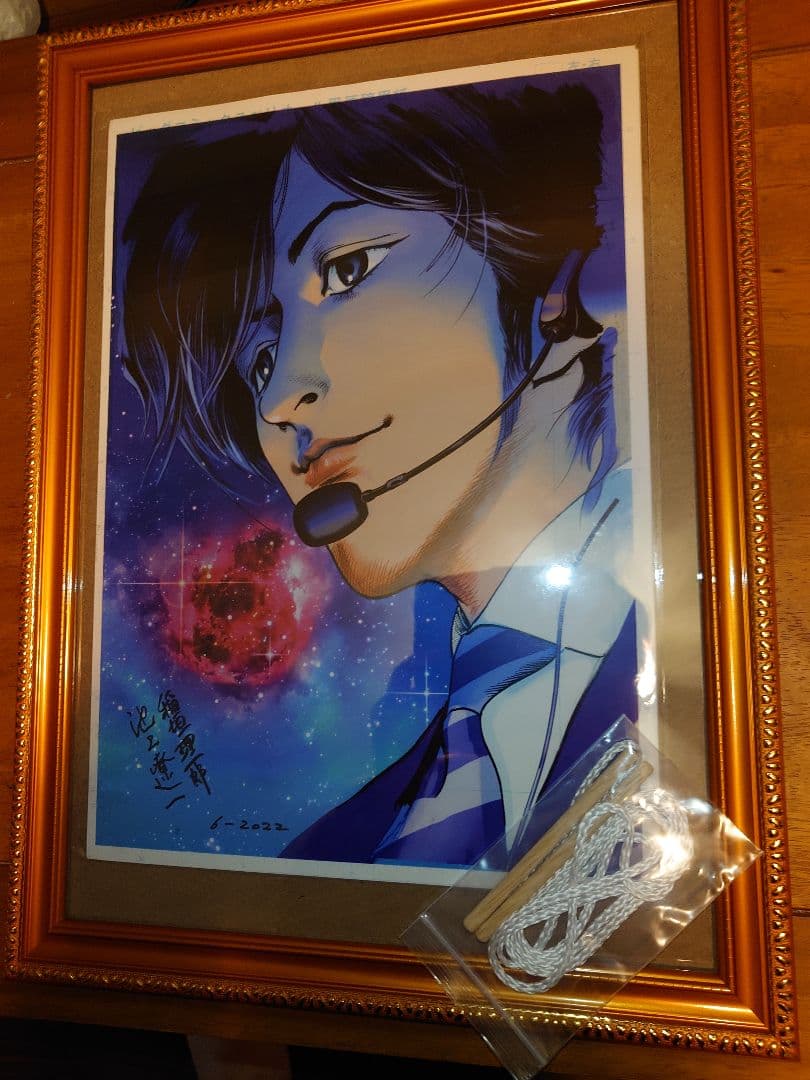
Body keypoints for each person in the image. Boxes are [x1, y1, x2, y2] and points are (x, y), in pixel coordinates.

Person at [121, 75, 641, 869]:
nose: (280, 398)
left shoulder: (700, 684)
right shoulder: (337, 855)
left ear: (558, 285)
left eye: (348, 269)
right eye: (260, 360)